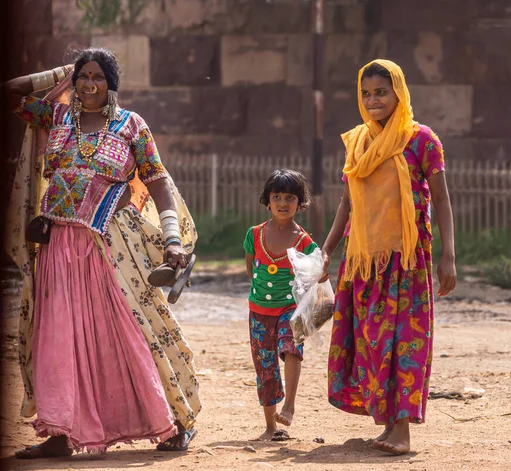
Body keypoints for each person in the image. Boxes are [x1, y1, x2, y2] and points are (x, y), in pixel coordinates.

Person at [4, 48, 201, 457]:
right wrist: (61, 69)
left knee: (130, 332)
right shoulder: (56, 117)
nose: (89, 84)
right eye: (82, 76)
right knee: (58, 337)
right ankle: (60, 433)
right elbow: (11, 92)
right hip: (58, 246)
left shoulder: (131, 126)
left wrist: (172, 238)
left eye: (97, 76)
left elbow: (158, 181)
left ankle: (170, 424)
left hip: (112, 245)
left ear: (111, 85)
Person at [321, 59, 457, 455]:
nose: (373, 99)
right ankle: (386, 423)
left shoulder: (421, 140)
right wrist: (327, 251)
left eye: (381, 92)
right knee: (370, 341)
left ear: (399, 91)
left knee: (404, 342)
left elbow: (442, 199)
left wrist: (448, 256)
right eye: (366, 93)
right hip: (362, 262)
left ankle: (402, 430)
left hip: (407, 262)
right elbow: (346, 204)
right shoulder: (358, 142)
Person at [243, 169, 318, 441]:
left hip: (290, 310)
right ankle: (270, 426)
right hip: (258, 311)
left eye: (290, 197)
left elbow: (316, 276)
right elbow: (250, 268)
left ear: (300, 202)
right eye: (277, 196)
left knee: (292, 349)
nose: (283, 203)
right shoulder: (254, 234)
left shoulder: (305, 242)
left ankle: (289, 405)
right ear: (267, 200)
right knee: (265, 367)